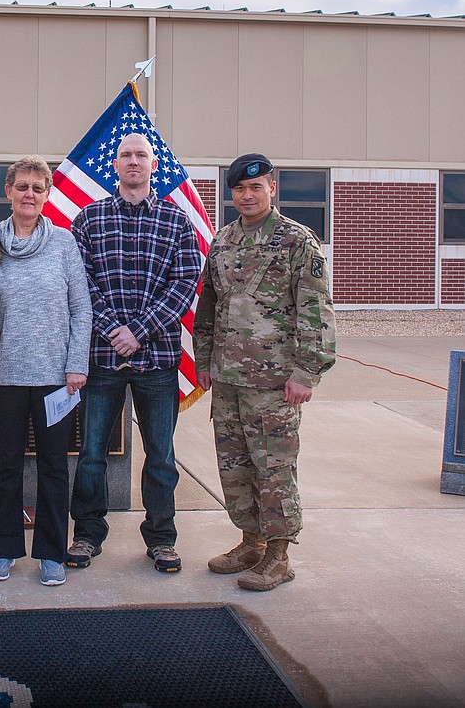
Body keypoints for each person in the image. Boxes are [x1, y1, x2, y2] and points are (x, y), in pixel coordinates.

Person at [195, 153, 336, 591]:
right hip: (229, 380)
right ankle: (250, 542)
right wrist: (204, 363)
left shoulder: (297, 242)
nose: (247, 195)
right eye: (239, 188)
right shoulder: (223, 241)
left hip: (275, 383)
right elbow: (208, 310)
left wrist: (306, 372)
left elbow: (316, 312)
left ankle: (279, 555)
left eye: (256, 187)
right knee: (235, 467)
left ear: (271, 188)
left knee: (273, 468)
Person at [68, 132, 202, 574]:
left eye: (140, 155)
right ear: (115, 164)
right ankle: (87, 535)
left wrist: (139, 331)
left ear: (153, 164)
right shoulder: (88, 220)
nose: (132, 161)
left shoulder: (176, 222)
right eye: (125, 155)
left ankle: (162, 540)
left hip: (158, 361)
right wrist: (113, 331)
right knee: (91, 455)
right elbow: (80, 284)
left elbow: (184, 284)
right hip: (102, 361)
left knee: (161, 456)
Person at [0, 156, 91, 586]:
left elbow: (81, 309)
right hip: (4, 376)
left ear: (47, 194)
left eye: (37, 188)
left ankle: (51, 553)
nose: (29, 194)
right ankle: (3, 551)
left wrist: (76, 364)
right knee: (5, 465)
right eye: (21, 186)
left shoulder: (64, 243)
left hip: (54, 379)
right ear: (8, 192)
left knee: (54, 466)